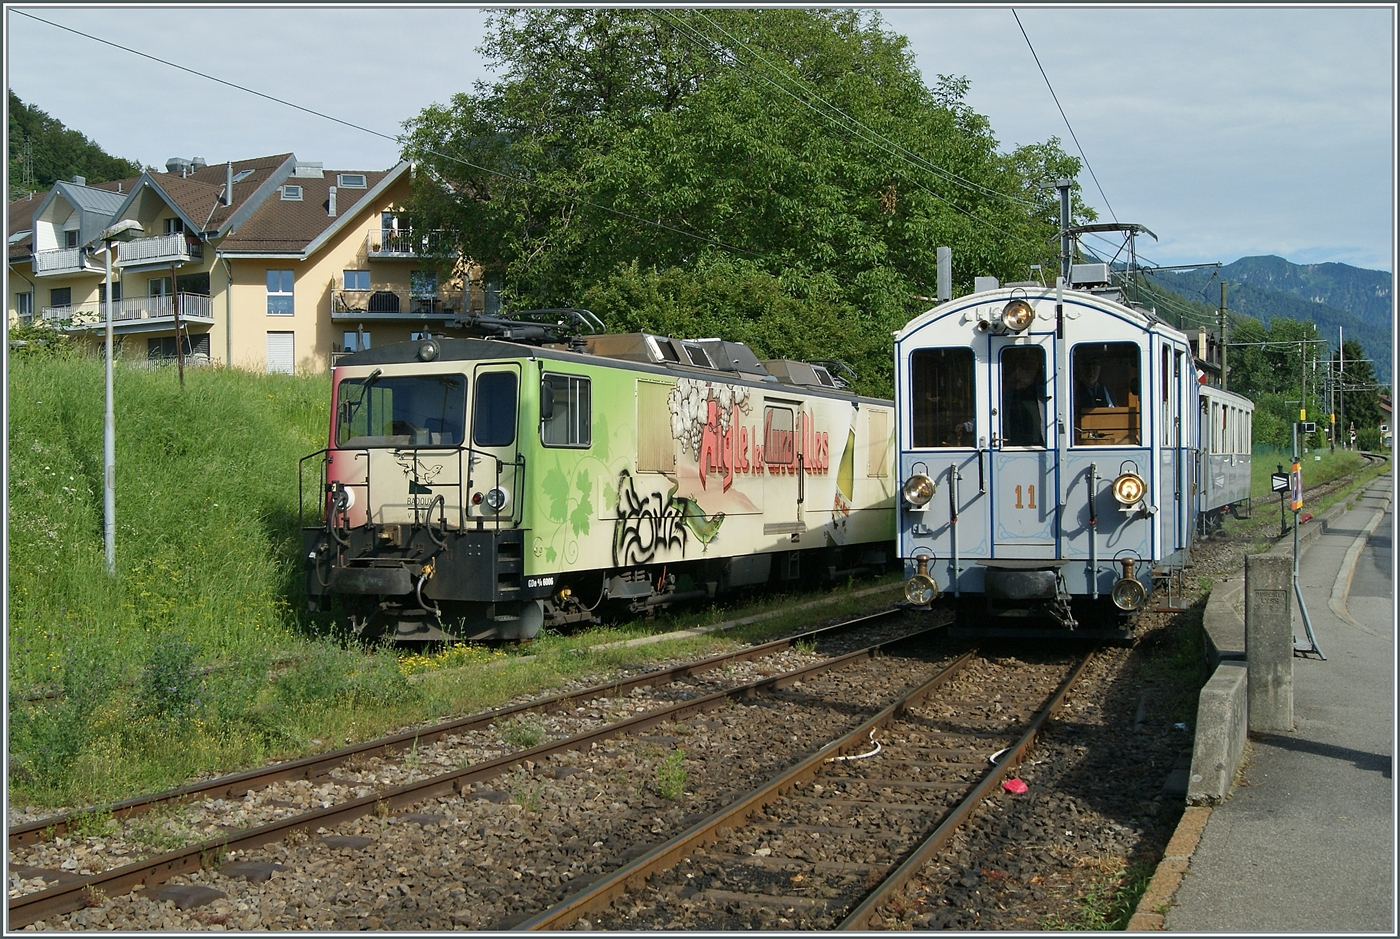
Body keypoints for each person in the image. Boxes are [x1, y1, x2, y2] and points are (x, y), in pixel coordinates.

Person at [1003, 357, 1045, 447]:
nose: (1025, 371)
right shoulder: (1007, 392)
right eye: (1023, 367)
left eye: (1031, 367)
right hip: (1010, 444)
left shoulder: (1042, 390)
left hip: (1039, 444)